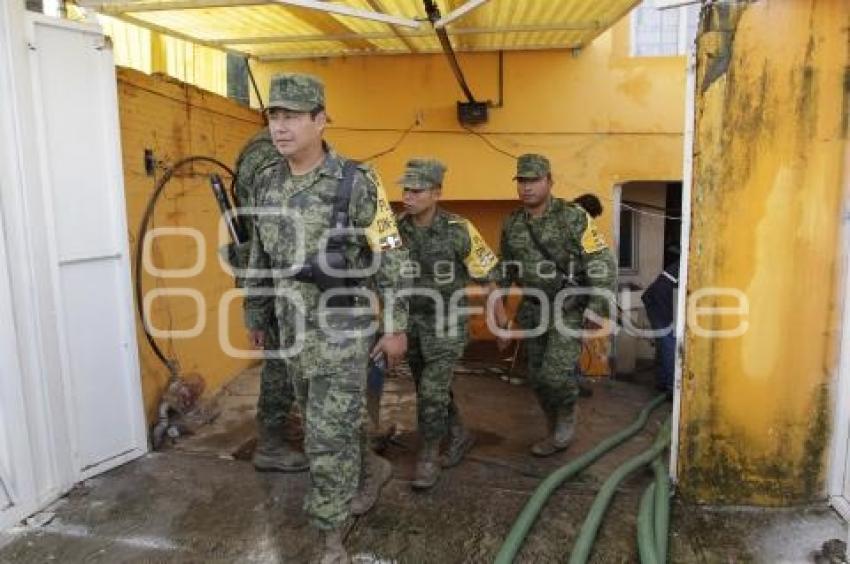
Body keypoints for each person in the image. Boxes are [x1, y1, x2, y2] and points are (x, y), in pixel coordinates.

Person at [242, 72, 408, 563]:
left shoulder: (358, 181)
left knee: (324, 435)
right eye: (274, 115)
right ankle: (370, 469)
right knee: (334, 417)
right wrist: (255, 308)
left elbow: (392, 255)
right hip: (292, 330)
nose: (280, 126)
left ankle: (329, 534)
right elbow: (259, 255)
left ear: (320, 120)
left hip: (342, 327)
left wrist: (395, 325)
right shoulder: (266, 181)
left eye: (292, 115)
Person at [495, 154, 616, 457]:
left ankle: (566, 416)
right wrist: (500, 316)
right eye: (522, 181)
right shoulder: (512, 224)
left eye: (534, 180)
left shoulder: (573, 216)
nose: (527, 187)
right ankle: (553, 430)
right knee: (537, 379)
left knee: (555, 375)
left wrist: (597, 306)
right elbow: (505, 271)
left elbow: (600, 260)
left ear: (549, 181)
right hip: (533, 310)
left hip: (567, 308)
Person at [396, 158, 499, 490]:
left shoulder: (459, 229)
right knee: (432, 390)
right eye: (405, 189)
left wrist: (498, 321)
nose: (407, 196)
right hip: (411, 324)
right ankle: (459, 434)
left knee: (430, 391)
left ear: (436, 193)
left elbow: (487, 278)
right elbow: (382, 275)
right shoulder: (396, 229)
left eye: (416, 190)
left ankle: (427, 456)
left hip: (447, 323)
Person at [228, 127, 308, 473]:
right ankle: (271, 444)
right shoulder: (266, 158)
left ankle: (283, 429)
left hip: (283, 276)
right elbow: (271, 233)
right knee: (281, 361)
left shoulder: (264, 150)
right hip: (279, 280)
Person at [641, 248, 680, 396]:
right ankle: (670, 388)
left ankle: (662, 382)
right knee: (670, 343)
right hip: (658, 302)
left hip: (659, 301)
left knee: (665, 343)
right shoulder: (688, 266)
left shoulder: (686, 265)